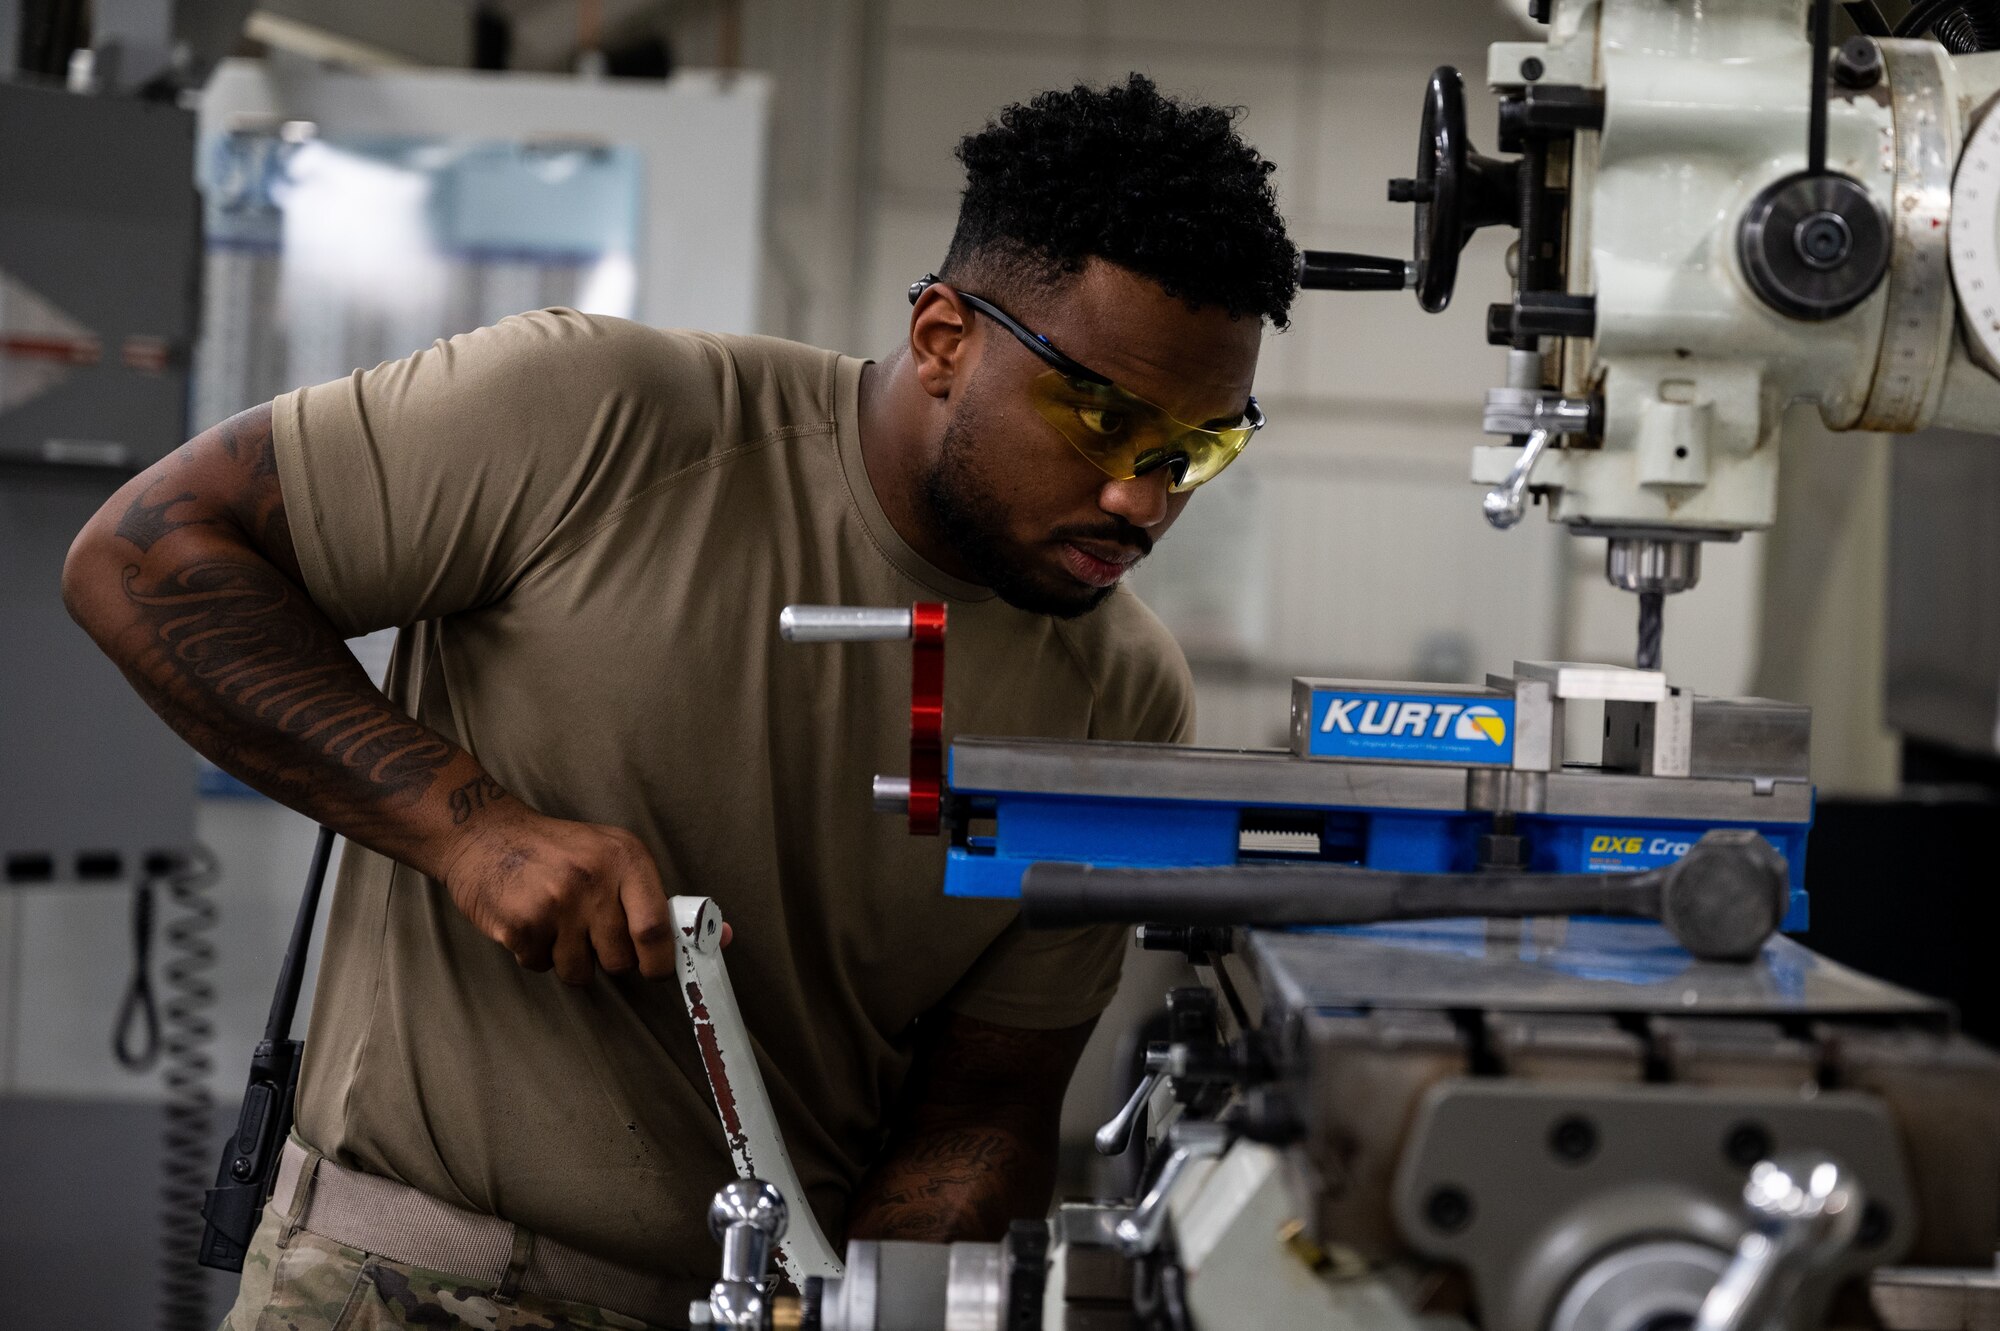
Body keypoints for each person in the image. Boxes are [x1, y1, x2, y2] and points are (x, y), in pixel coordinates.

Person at [64, 72, 1297, 1330]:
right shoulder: (601, 419)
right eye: (1101, 418)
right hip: (402, 1285)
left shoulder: (1122, 693)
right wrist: (468, 827)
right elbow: (141, 553)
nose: (1142, 500)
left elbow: (985, 1100)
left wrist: (885, 1293)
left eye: (1195, 449)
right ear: (942, 339)